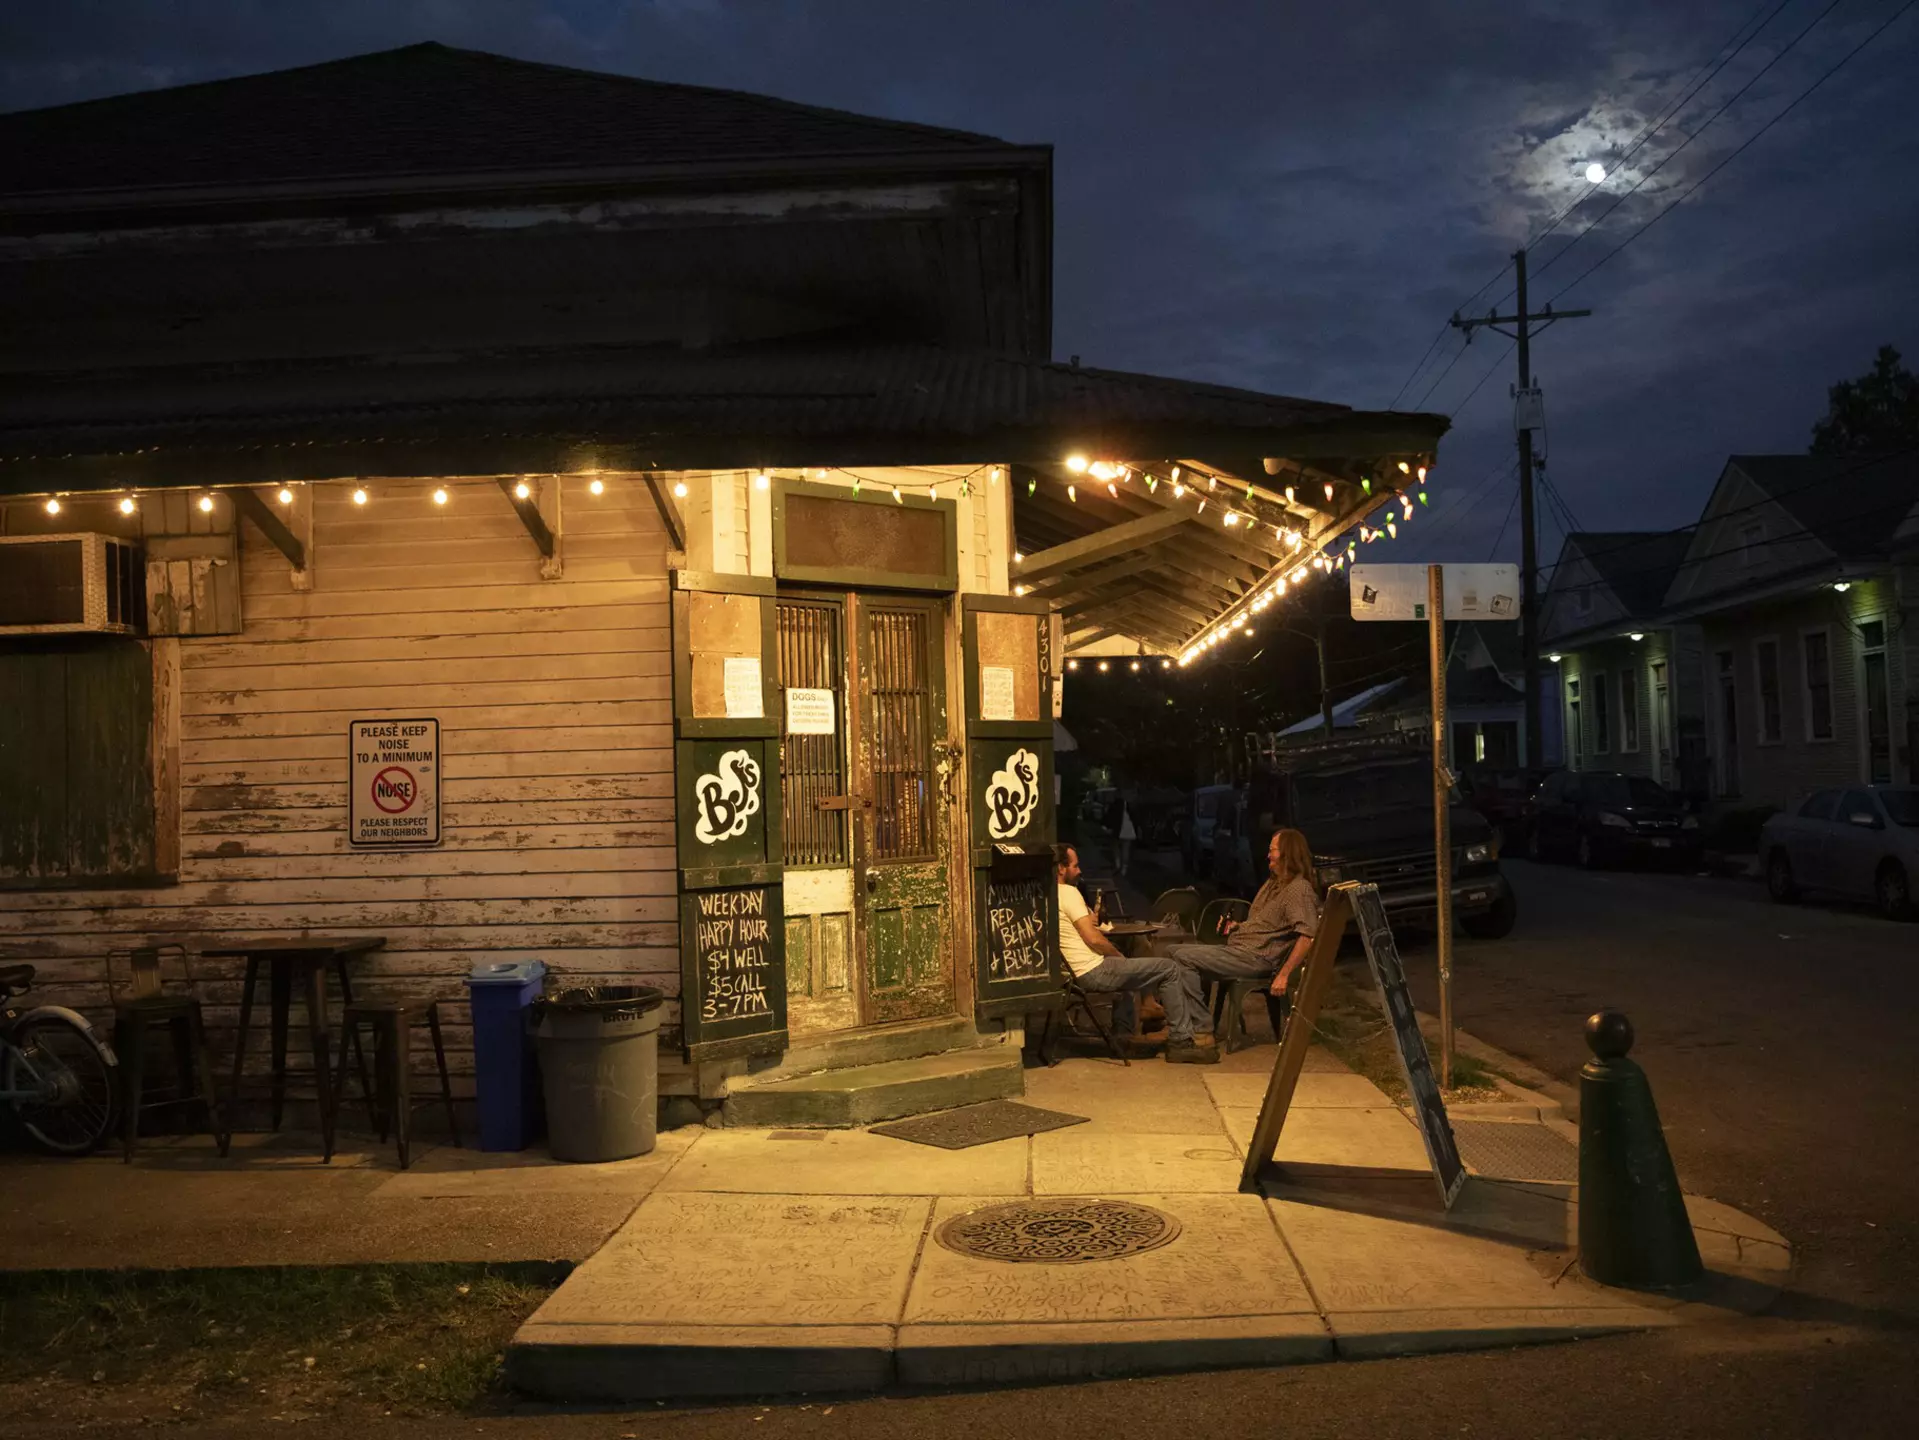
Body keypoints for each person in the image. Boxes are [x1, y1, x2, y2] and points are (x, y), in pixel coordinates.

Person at [1054, 843, 1217, 1064]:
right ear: (1061, 869)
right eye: (1075, 865)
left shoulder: (1047, 896)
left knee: (1131, 965)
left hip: (1071, 973)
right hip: (1090, 971)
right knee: (1168, 968)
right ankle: (1181, 1040)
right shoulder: (1068, 892)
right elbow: (1093, 938)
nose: (1080, 870)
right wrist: (1117, 957)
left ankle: (1124, 1036)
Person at [1169, 828, 1321, 1023]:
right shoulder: (1274, 883)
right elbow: (1265, 924)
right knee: (1172, 951)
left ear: (1287, 853)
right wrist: (1237, 927)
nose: (1267, 855)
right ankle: (1183, 1021)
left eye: (1272, 850)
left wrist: (1284, 975)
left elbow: (1307, 935)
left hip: (1256, 958)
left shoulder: (1298, 890)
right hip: (1240, 950)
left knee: (1183, 957)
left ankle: (1199, 1027)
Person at [1115, 798, 1137, 877]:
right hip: (1129, 829)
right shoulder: (1132, 805)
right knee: (1125, 848)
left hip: (1119, 829)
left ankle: (1118, 865)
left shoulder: (1117, 803)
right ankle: (1124, 867)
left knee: (1117, 846)